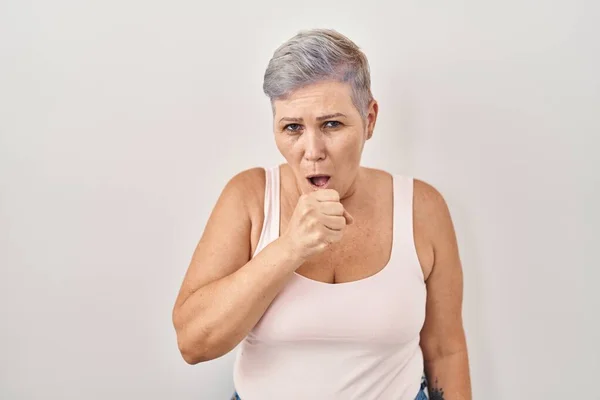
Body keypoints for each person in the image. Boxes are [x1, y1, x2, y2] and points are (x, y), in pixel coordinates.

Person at [172, 28, 471, 400]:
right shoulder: (248, 197)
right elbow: (193, 344)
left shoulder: (423, 208)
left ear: (370, 119)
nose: (312, 151)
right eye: (293, 128)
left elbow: (446, 350)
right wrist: (290, 247)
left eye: (332, 124)